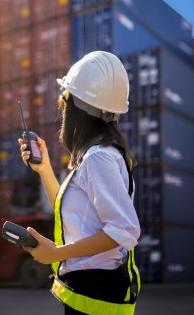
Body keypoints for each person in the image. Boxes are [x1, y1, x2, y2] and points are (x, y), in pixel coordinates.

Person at [18, 51, 141, 315]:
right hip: (93, 292)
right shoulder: (100, 156)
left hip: (96, 292)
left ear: (76, 106)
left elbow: (125, 230)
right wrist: (45, 169)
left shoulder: (99, 158)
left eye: (64, 98)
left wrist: (56, 253)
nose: (61, 106)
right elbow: (73, 215)